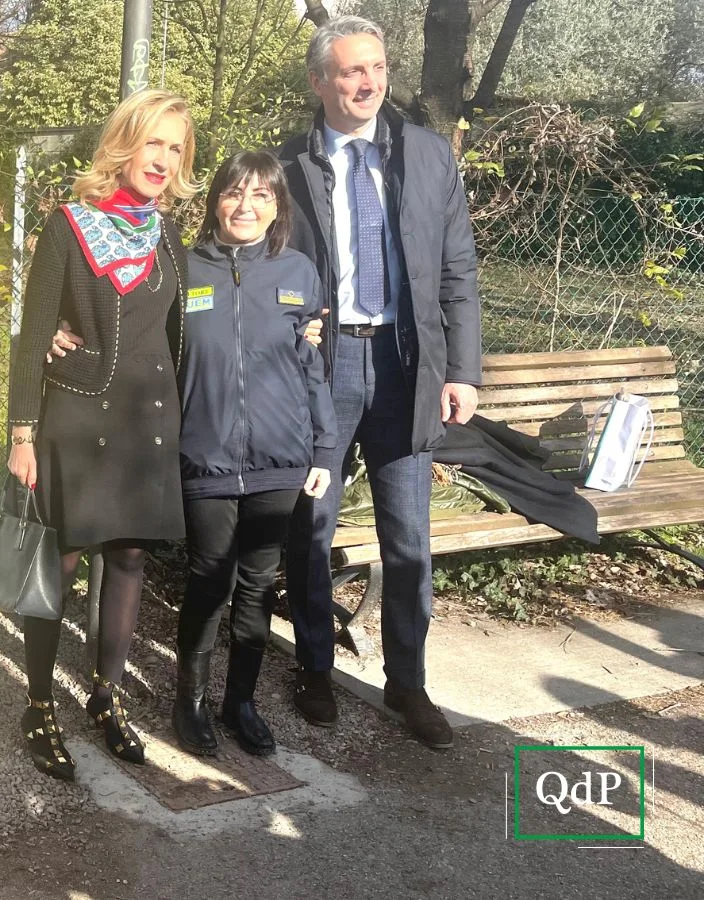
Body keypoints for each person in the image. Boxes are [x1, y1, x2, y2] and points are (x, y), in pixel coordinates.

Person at [278, 16, 482, 749]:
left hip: (404, 371)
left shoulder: (427, 156)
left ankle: (408, 683)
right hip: (322, 373)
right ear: (319, 82)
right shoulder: (287, 165)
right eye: (350, 71)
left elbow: (459, 272)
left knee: (409, 540)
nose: (368, 83)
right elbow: (256, 264)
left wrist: (462, 371)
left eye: (377, 68)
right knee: (312, 529)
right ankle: (313, 666)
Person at [6, 89, 199, 781]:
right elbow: (33, 339)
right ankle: (37, 702)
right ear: (125, 143)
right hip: (78, 420)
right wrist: (21, 431)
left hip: (148, 425)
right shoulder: (69, 225)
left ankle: (105, 695)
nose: (164, 159)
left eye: (176, 148)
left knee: (128, 563)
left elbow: (187, 329)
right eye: (154, 142)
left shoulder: (168, 234)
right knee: (56, 568)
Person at [170, 151, 335, 758]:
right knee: (209, 578)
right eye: (234, 193)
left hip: (280, 458)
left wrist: (323, 447)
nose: (246, 206)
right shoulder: (182, 270)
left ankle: (240, 700)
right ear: (214, 201)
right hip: (205, 457)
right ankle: (189, 701)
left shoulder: (297, 271)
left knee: (259, 583)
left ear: (278, 207)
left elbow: (310, 365)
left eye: (262, 195)